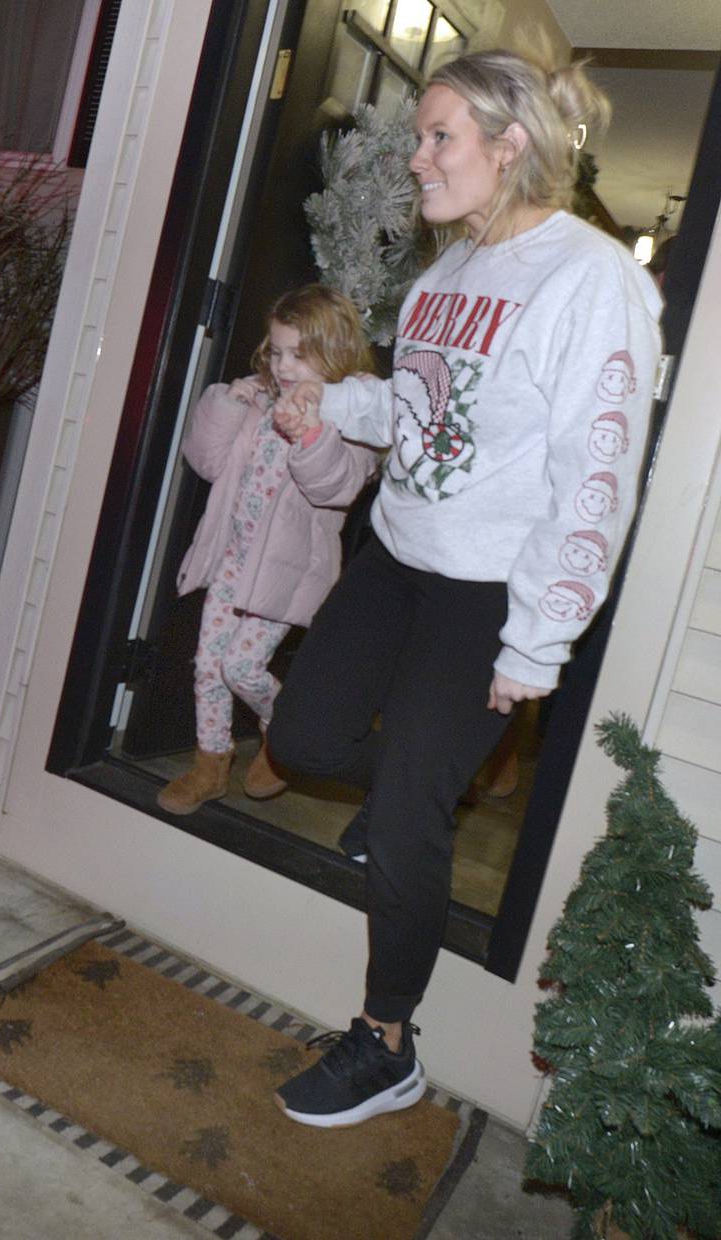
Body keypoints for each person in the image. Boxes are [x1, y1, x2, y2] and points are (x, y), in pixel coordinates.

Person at [267, 47, 663, 1128]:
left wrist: (536, 641)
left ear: (509, 145)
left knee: (401, 816)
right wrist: (335, 408)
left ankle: (383, 1040)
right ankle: (414, 804)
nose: (416, 154)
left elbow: (594, 474)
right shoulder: (447, 272)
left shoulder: (592, 281)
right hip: (398, 555)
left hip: (486, 587)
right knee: (301, 738)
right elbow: (418, 407)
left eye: (438, 135)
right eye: (418, 134)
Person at [156, 285, 378, 816]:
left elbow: (336, 488)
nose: (283, 366)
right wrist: (228, 406)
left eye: (299, 355)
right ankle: (210, 765)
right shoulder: (261, 400)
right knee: (208, 666)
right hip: (232, 558)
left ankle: (284, 735)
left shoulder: (354, 415)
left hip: (287, 571)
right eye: (277, 352)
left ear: (335, 351)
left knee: (242, 666)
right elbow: (207, 463)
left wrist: (310, 434)